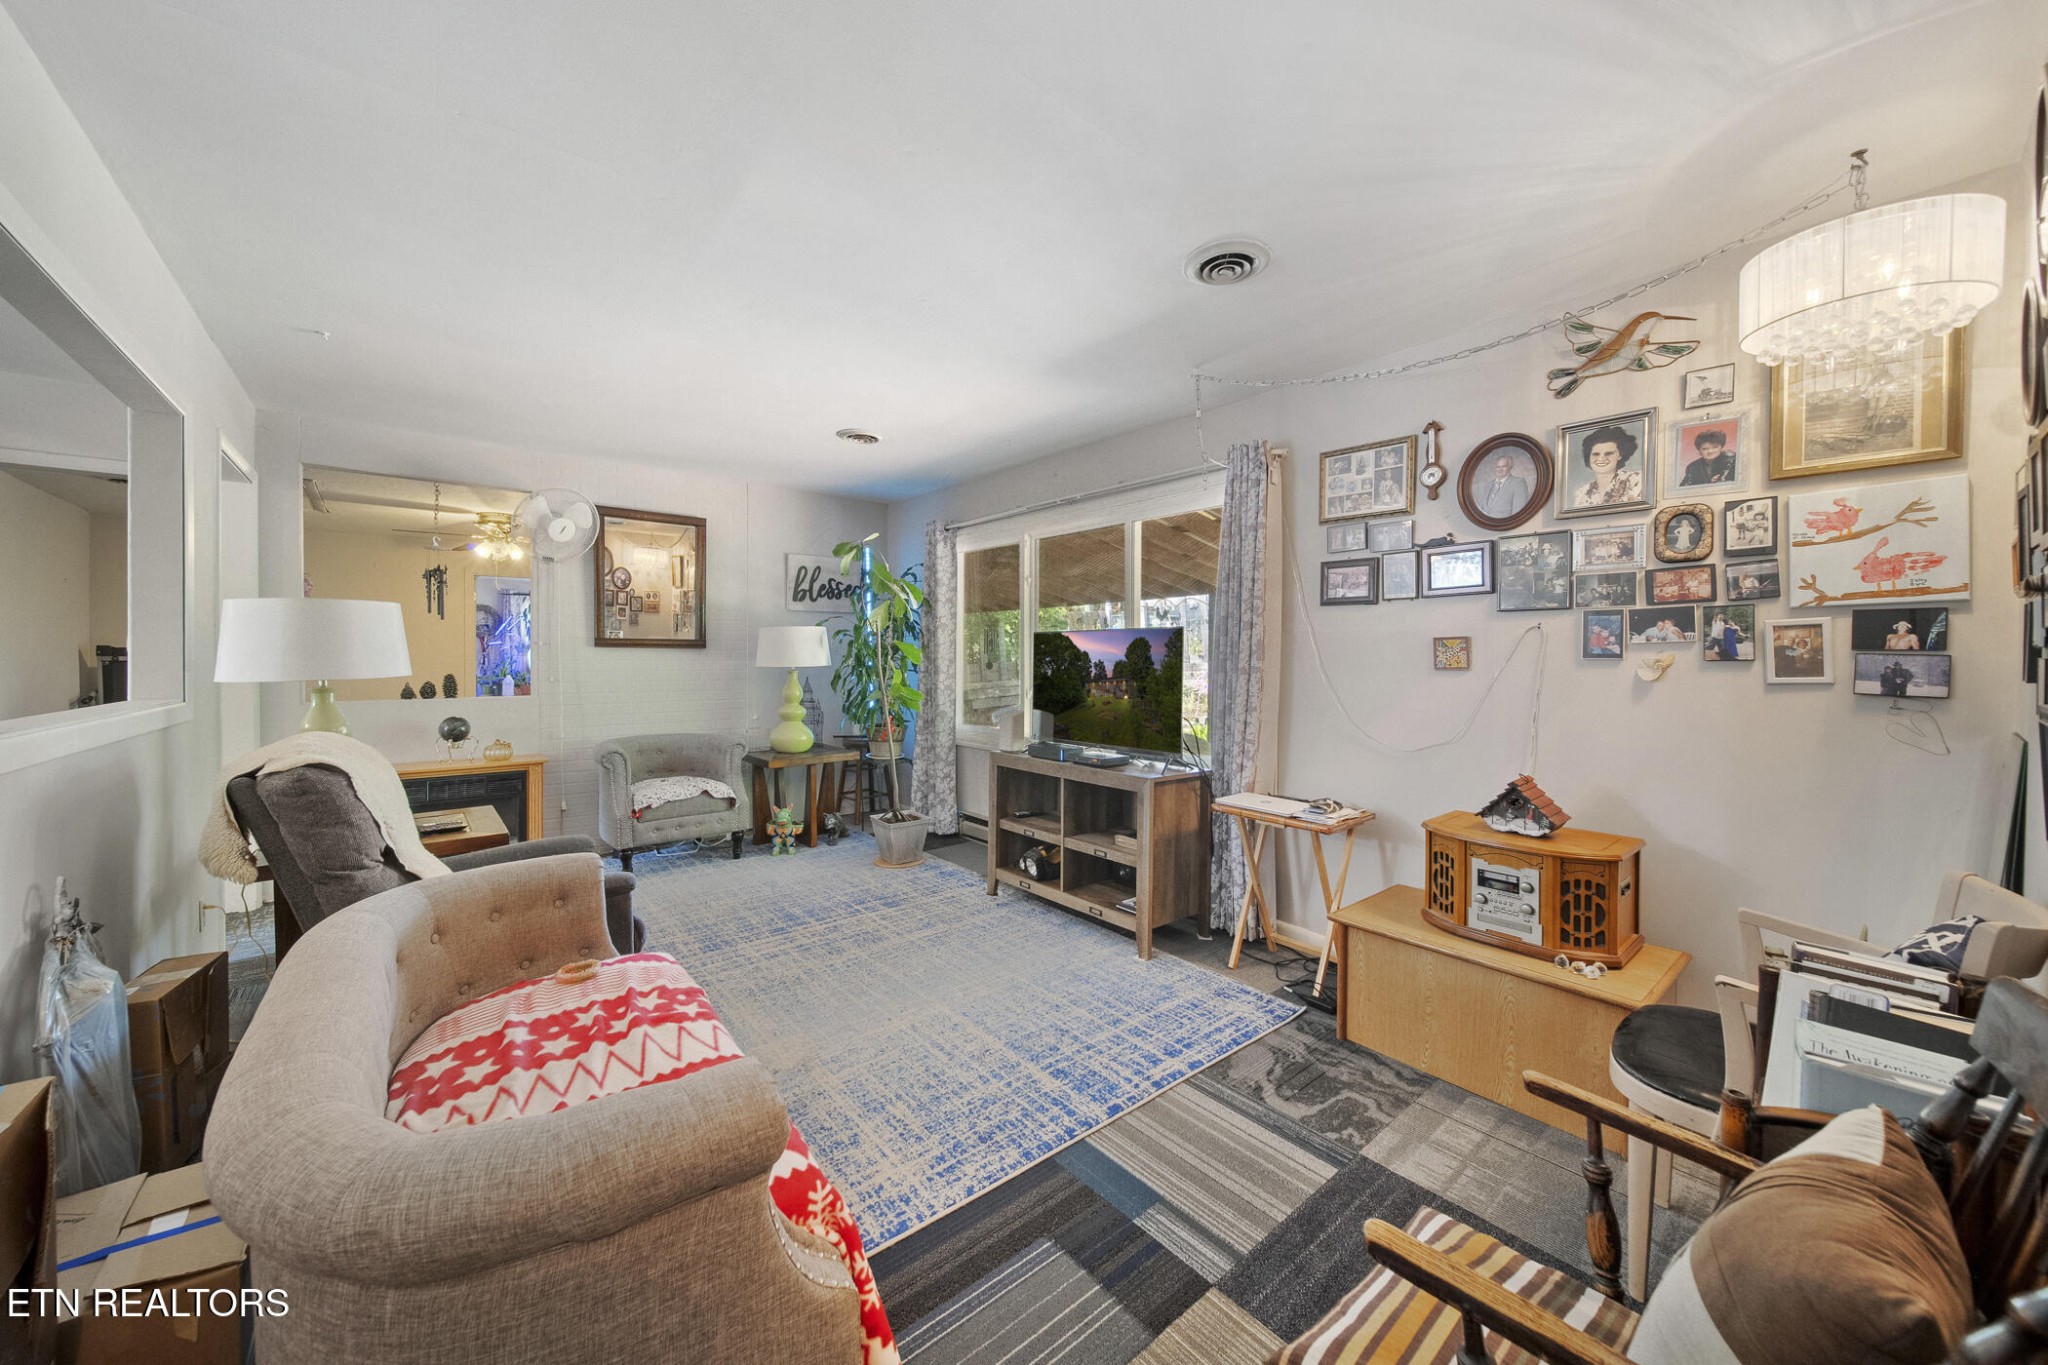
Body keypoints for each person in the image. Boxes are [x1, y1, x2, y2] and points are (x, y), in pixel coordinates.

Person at [1571, 425, 1644, 508]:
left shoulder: (1636, 480)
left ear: (1620, 455)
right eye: (1596, 454)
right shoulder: (1582, 493)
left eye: (1608, 453)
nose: (1601, 458)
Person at [1475, 453, 1530, 520]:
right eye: (1498, 466)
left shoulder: (1518, 482)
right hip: (1486, 526)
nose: (1500, 469)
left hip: (1507, 526)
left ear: (1510, 468)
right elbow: (1483, 509)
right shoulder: (1488, 485)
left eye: (1504, 466)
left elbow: (1519, 511)